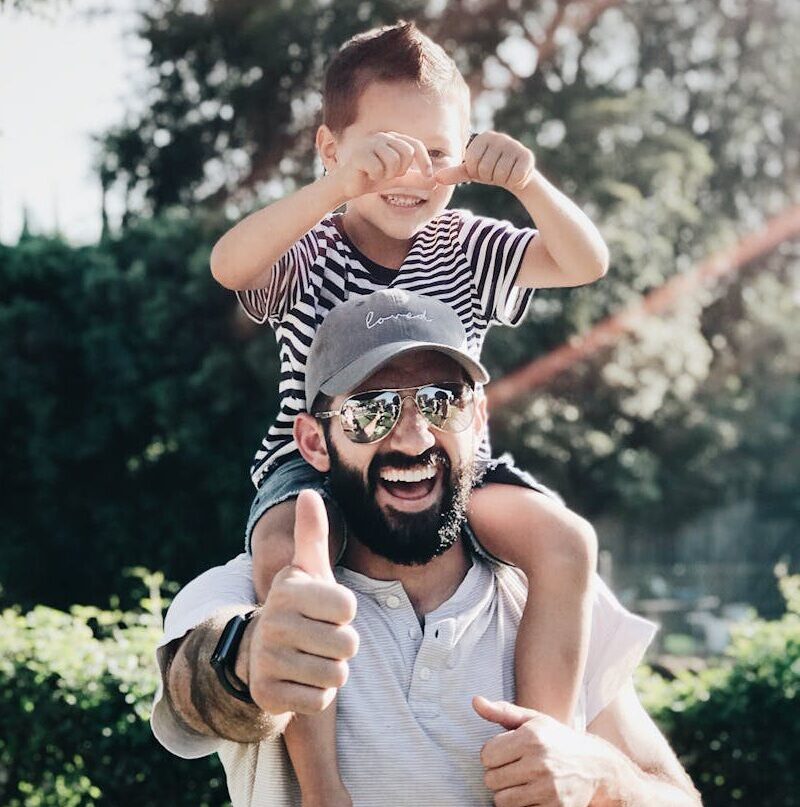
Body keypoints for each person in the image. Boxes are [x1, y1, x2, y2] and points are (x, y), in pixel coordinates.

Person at [208, 20, 610, 805]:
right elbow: (230, 265)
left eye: (435, 151)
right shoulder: (311, 246)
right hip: (321, 460)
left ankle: (536, 749)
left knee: (566, 541)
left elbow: (585, 261)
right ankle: (323, 785)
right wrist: (336, 189)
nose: (411, 171)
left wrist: (527, 184)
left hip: (454, 461)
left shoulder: (466, 243)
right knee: (290, 548)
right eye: (383, 148)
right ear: (332, 147)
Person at [152, 290, 702, 807]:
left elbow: (680, 798)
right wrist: (243, 660)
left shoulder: (547, 597)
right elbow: (193, 686)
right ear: (315, 442)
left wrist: (604, 776)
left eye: (443, 402)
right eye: (371, 410)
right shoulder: (256, 592)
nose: (414, 438)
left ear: (478, 420)